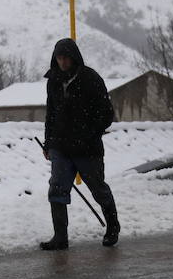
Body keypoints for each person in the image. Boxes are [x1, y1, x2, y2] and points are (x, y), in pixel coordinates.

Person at [39, 37, 120, 250]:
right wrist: (48, 143)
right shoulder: (53, 81)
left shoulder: (91, 79)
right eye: (59, 58)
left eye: (66, 58)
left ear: (74, 57)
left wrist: (89, 134)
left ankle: (112, 227)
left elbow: (107, 114)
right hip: (60, 147)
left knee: (98, 188)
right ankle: (60, 237)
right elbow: (51, 115)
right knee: (57, 188)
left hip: (87, 148)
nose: (62, 62)